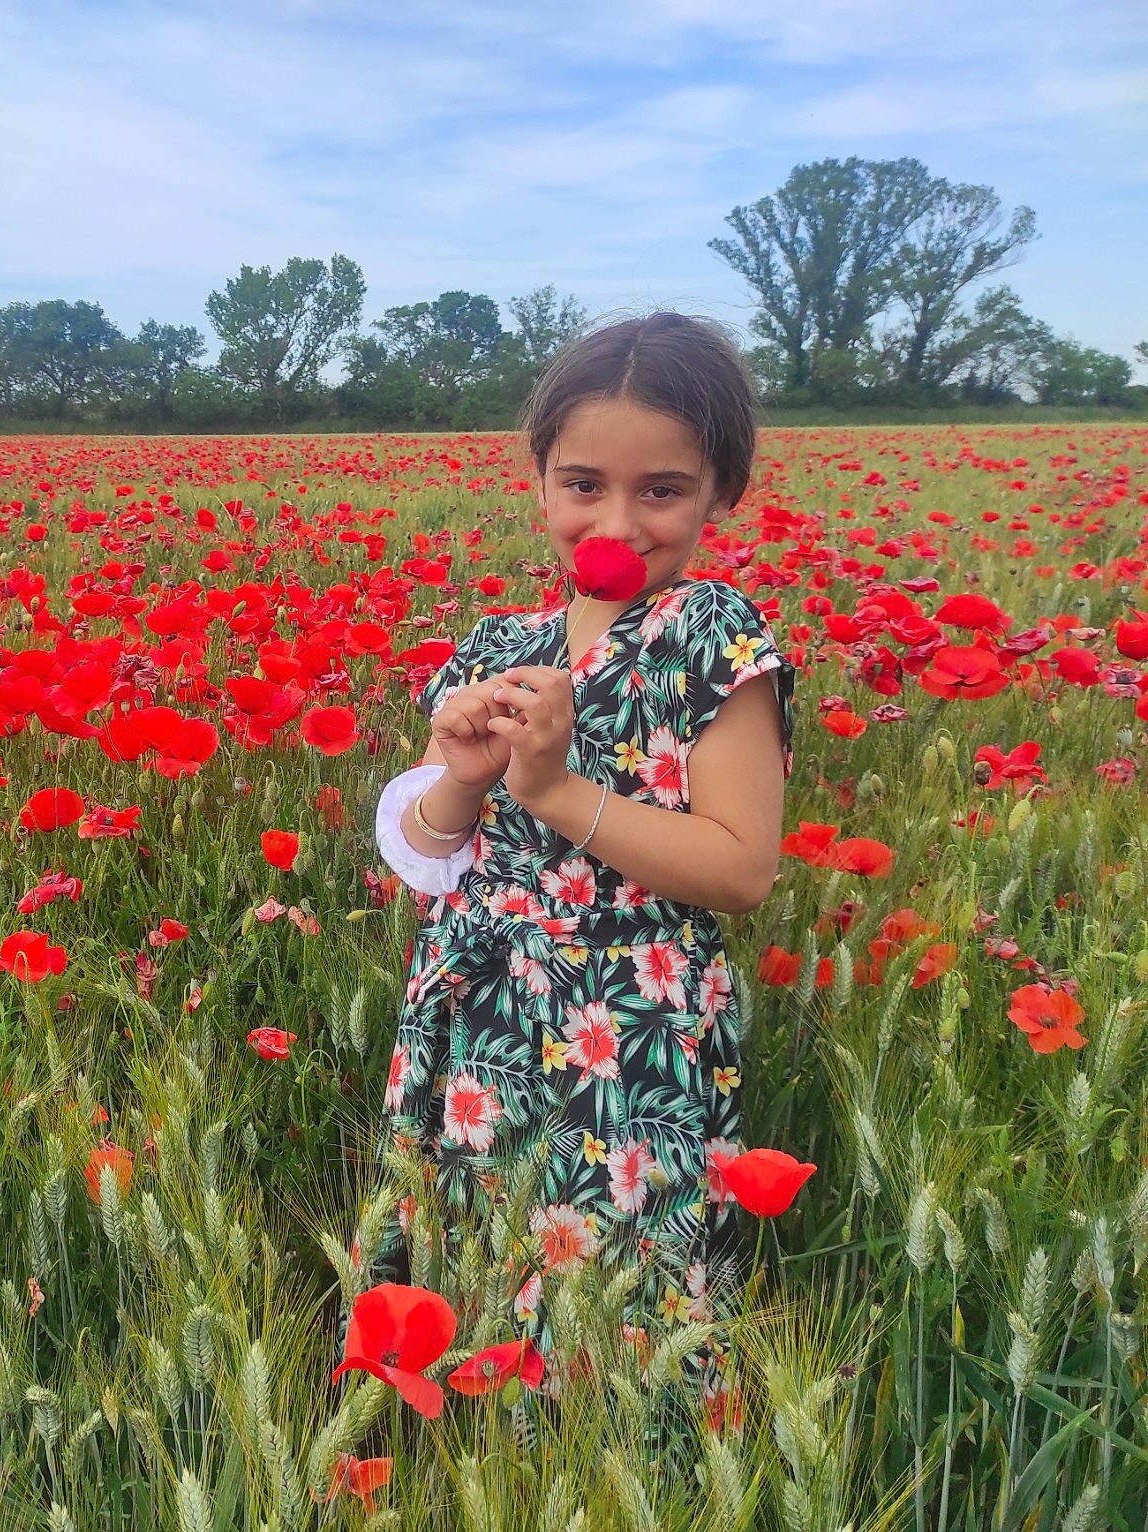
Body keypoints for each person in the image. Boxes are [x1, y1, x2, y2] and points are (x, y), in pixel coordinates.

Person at [360, 311, 796, 1415]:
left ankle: (608, 1457)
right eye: (582, 483)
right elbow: (421, 849)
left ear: (719, 492)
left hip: (626, 1022)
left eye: (662, 490)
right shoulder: (496, 645)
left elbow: (742, 866)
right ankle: (480, 1451)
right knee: (478, 1244)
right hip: (479, 1001)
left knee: (612, 1273)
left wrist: (555, 791)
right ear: (538, 481)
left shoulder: (714, 638)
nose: (615, 520)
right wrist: (462, 774)